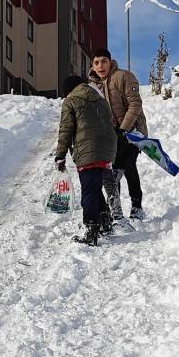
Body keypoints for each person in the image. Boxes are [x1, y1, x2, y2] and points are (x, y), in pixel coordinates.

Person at [52, 74, 118, 246]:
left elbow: (66, 129)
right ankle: (105, 222)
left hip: (88, 150)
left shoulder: (71, 100)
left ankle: (91, 230)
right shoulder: (101, 100)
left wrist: (60, 155)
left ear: (68, 90)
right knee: (95, 187)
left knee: (89, 191)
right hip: (107, 150)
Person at [89, 48, 149, 222]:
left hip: (133, 131)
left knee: (129, 164)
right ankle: (115, 209)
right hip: (112, 134)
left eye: (104, 61)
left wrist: (124, 129)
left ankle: (137, 206)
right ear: (92, 65)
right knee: (113, 169)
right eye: (96, 62)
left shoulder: (124, 76)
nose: (100, 66)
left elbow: (135, 104)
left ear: (110, 62)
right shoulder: (93, 87)